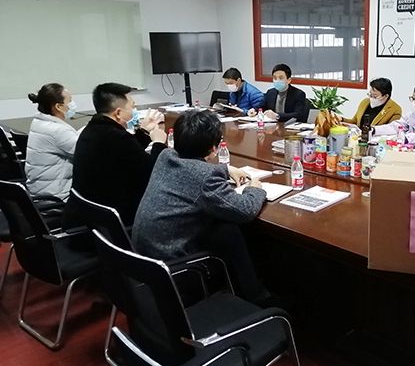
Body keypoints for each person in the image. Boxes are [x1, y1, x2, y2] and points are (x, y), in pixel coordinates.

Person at [132, 110, 269, 302]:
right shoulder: (205, 177)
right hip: (175, 267)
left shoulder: (166, 155)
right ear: (214, 148)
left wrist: (226, 169)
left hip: (145, 260)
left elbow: (192, 170)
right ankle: (257, 297)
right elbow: (245, 210)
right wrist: (254, 189)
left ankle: (251, 292)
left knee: (226, 231)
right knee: (230, 231)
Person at [63, 83, 167, 228]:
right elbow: (154, 173)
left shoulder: (93, 129)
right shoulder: (116, 137)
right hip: (110, 222)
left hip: (87, 215)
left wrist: (144, 131)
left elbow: (127, 153)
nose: (134, 111)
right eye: (132, 107)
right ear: (118, 113)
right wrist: (159, 143)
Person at [25, 83, 80, 202]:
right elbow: (84, 151)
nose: (72, 103)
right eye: (70, 100)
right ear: (59, 107)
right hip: (57, 196)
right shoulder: (57, 130)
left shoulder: (39, 122)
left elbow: (72, 141)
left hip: (39, 190)